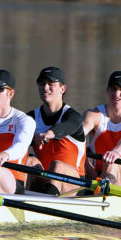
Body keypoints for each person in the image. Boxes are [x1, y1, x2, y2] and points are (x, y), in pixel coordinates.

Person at [25, 66, 86, 196]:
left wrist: (50, 133)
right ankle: (19, 197)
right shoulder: (30, 118)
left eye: (51, 84)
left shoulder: (72, 116)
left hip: (74, 183)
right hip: (44, 177)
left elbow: (67, 126)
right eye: (42, 84)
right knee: (29, 161)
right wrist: (32, 139)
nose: (45, 88)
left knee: (57, 165)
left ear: (62, 89)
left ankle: (48, 200)